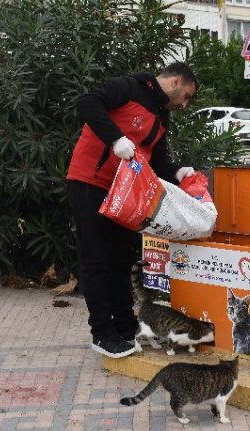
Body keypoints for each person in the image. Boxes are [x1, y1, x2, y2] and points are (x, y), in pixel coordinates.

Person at [66, 62, 198, 359]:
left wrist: (178, 173)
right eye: (186, 96)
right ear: (175, 81)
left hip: (125, 194)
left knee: (120, 260)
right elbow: (87, 102)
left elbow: (158, 161)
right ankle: (102, 333)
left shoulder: (161, 116)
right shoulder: (128, 87)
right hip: (91, 182)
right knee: (97, 260)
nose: (185, 104)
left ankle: (126, 326)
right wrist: (116, 139)